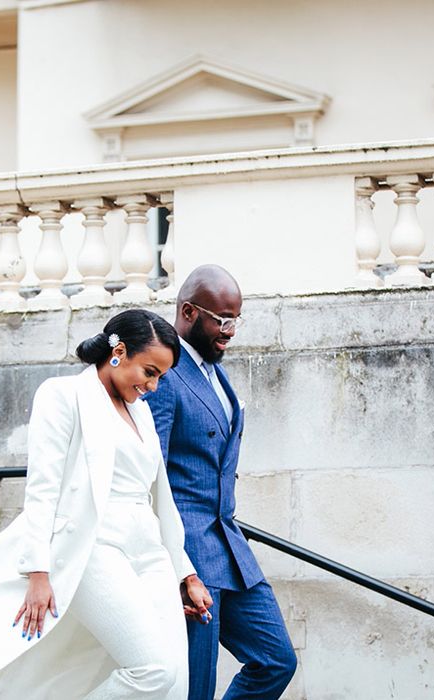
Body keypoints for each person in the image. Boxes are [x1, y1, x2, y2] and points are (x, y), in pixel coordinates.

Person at [0, 308, 213, 700]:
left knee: (172, 683)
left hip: (150, 553)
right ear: (118, 351)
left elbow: (161, 498)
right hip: (95, 548)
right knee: (151, 671)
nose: (154, 387)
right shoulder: (63, 395)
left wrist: (185, 573)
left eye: (161, 376)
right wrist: (38, 571)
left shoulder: (140, 413)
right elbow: (43, 488)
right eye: (149, 372)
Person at [146, 265, 297, 700]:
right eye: (222, 320)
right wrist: (175, 565)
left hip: (229, 547)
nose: (230, 331)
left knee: (276, 660)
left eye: (235, 320)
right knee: (196, 685)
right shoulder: (163, 376)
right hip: (189, 552)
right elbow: (149, 475)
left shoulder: (216, 373)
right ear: (189, 312)